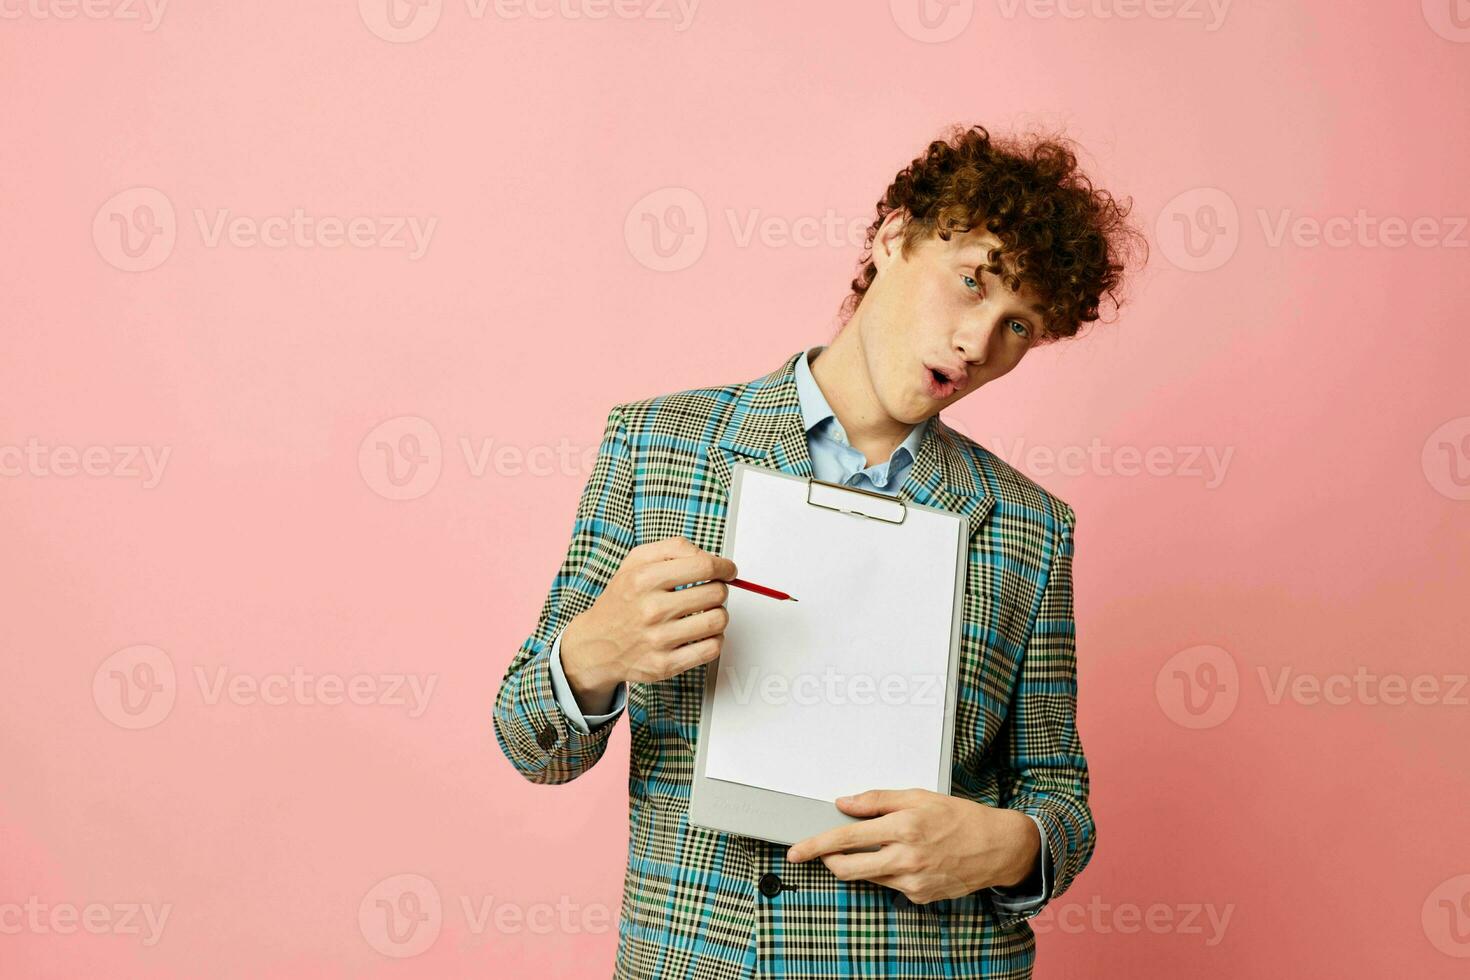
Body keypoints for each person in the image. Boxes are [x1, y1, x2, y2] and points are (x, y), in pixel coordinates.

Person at [493, 122, 1146, 979]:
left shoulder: (1028, 526)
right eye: (971, 283)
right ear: (892, 238)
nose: (976, 343)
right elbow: (529, 739)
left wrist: (1009, 845)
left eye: (1018, 325)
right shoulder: (658, 447)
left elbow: (1058, 792)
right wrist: (592, 653)